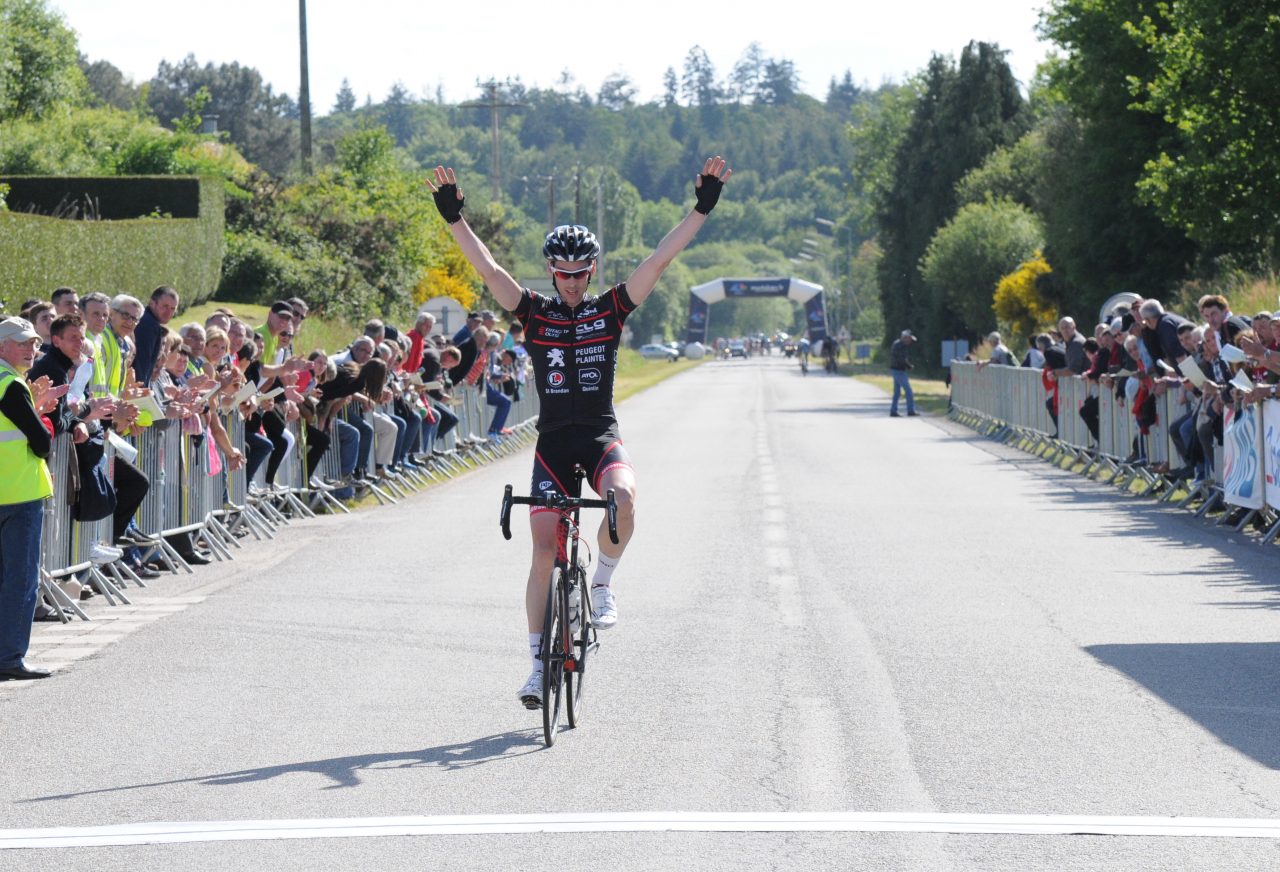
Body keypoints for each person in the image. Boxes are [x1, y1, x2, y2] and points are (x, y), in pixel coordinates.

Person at [428, 155, 732, 709]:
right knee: (543, 550)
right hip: (551, 444)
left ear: (590, 271)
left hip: (597, 436)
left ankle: (604, 583)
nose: (569, 283)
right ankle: (534, 663)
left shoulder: (611, 310)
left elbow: (659, 260)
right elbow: (491, 271)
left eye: (578, 273)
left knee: (624, 497)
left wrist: (701, 209)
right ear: (552, 273)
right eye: (561, 274)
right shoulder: (535, 313)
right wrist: (455, 221)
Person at [0, 318, 60, 679]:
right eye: (21, 342)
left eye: (34, 343)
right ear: (2, 346)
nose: (30, 349)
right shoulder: (10, 384)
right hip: (19, 494)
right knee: (20, 579)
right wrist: (37, 409)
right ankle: (9, 658)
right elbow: (42, 441)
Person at [889, 329, 918, 417]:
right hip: (899, 371)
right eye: (909, 339)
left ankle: (893, 411)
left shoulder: (899, 344)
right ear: (905, 338)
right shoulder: (899, 345)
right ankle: (910, 410)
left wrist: (907, 365)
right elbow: (901, 359)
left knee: (897, 392)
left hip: (897, 370)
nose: (910, 341)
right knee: (908, 391)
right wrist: (909, 366)